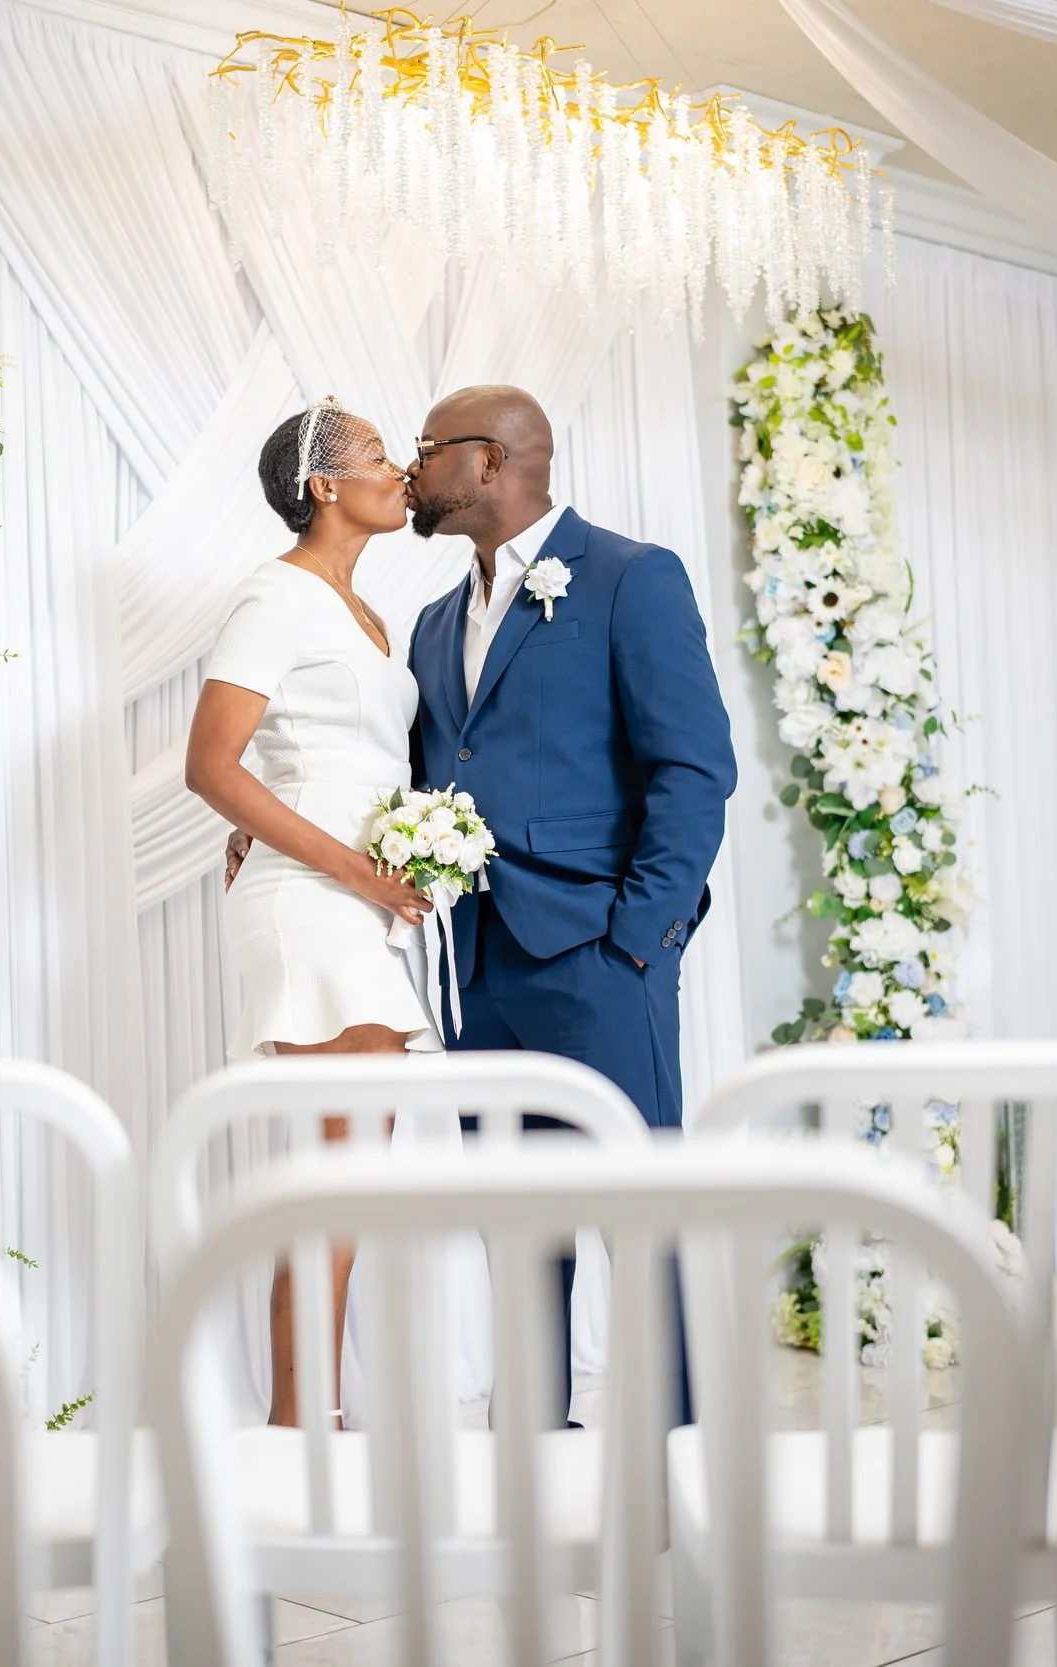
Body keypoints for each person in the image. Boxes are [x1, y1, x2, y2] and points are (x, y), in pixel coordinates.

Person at [403, 382, 736, 1425]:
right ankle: (535, 1450)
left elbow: (695, 768)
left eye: (425, 451)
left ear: (492, 459)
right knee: (519, 1219)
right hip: (481, 966)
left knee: (643, 1217)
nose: (411, 473)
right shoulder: (428, 620)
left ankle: (669, 1452)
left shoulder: (631, 577)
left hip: (600, 954)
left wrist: (643, 937)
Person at [185, 398, 433, 1428]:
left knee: (337, 1188)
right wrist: (355, 869)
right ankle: (301, 1432)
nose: (401, 469)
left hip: (355, 898)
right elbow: (209, 764)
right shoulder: (272, 598)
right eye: (378, 455)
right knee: (330, 1189)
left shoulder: (367, 612)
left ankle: (306, 1420)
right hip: (313, 899)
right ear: (324, 485)